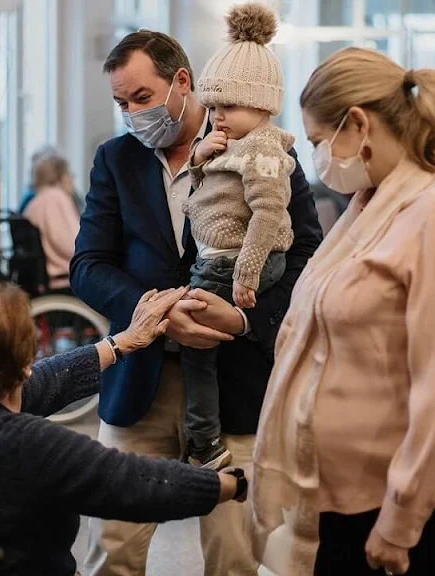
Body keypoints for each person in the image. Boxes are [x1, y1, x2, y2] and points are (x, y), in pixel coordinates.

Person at [69, 14, 323, 576]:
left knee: (233, 554)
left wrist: (240, 319)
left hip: (235, 381)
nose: (135, 113)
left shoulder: (263, 146)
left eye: (143, 96)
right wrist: (160, 312)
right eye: (122, 103)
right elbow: (87, 267)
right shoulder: (116, 160)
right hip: (142, 385)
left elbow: (307, 255)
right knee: (111, 549)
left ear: (182, 83)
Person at [247, 47, 435, 576]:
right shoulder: (370, 204)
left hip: (420, 503)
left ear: (358, 124)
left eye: (318, 141)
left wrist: (400, 519)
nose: (316, 157)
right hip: (355, 494)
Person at [0, 284, 248, 576]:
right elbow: (138, 484)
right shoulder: (30, 445)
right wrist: (234, 484)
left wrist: (123, 342)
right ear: (23, 365)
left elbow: (50, 380)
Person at [180, 4, 296, 470]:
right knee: (196, 342)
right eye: (211, 107)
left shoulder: (264, 149)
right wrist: (200, 156)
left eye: (227, 105)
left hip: (238, 262)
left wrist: (246, 277)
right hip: (220, 258)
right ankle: (204, 437)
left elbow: (268, 216)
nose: (217, 116)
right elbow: (205, 198)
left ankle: (205, 442)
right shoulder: (229, 145)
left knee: (195, 348)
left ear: (261, 103)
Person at [24, 150, 80, 289]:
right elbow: (72, 245)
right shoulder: (56, 198)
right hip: (63, 279)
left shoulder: (35, 202)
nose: (72, 179)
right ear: (59, 177)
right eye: (69, 174)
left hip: (48, 278)